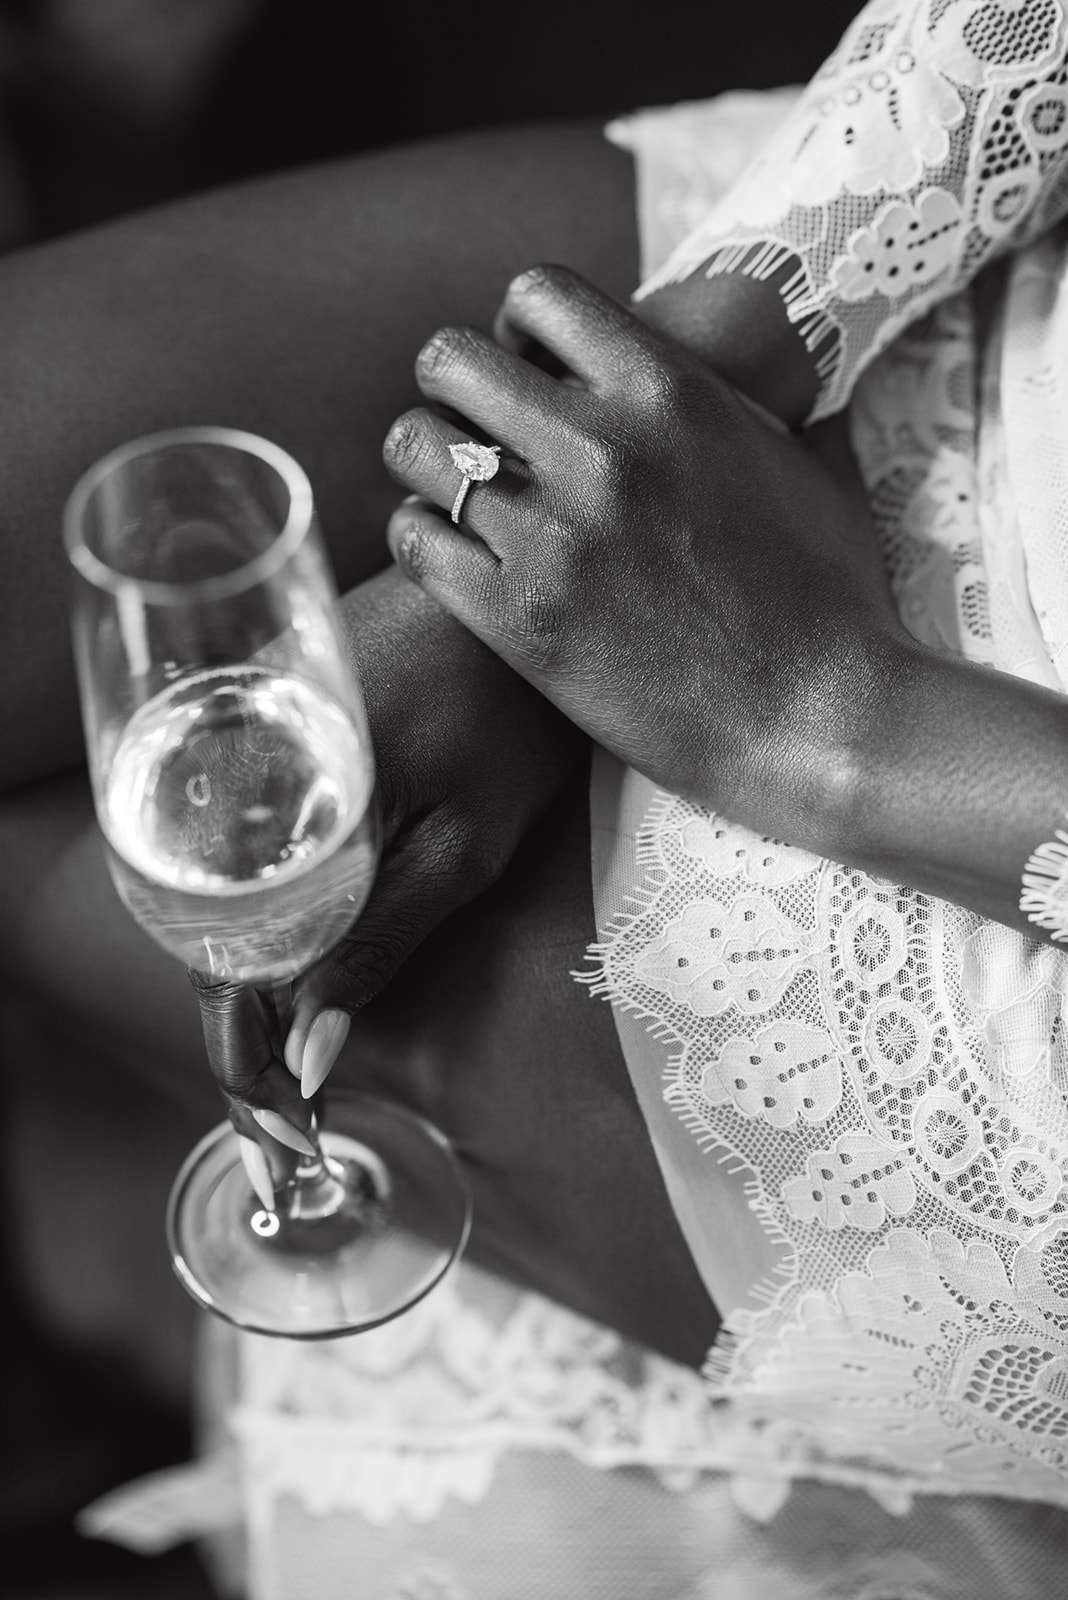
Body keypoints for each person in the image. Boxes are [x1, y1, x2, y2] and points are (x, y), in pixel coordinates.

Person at [5, 0, 1068, 1592]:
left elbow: (829, 717)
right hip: (961, 309)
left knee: (58, 884)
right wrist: (608, 472)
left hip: (992, 893)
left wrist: (833, 721)